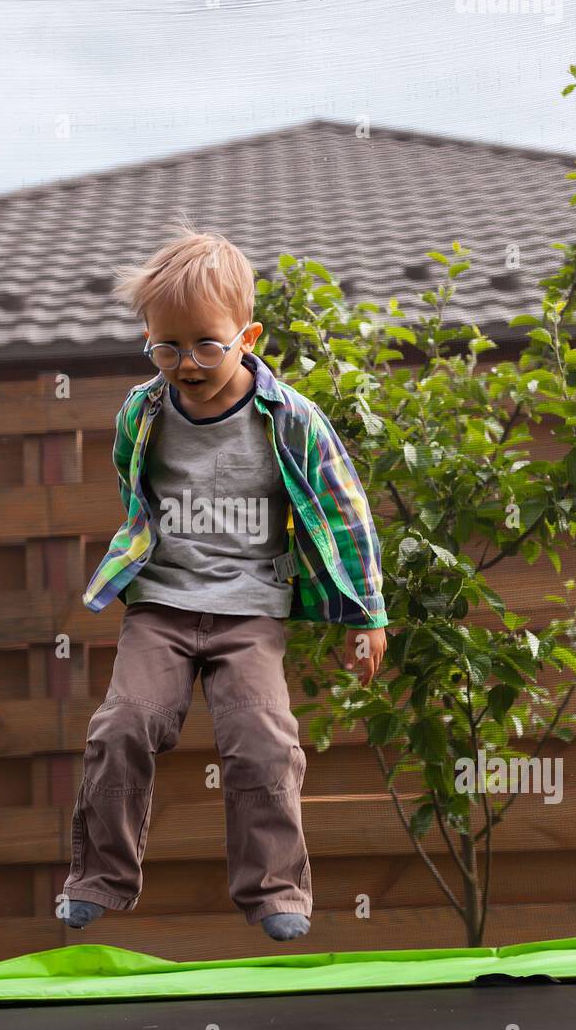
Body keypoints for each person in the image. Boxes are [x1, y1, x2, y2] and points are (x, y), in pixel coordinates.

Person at [59, 219, 387, 941]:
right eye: (165, 345)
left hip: (249, 611)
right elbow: (135, 493)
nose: (187, 361)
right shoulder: (141, 413)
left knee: (264, 740)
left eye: (208, 342)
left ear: (249, 337)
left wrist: (367, 614)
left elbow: (345, 511)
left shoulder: (291, 420)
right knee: (122, 727)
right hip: (163, 607)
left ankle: (274, 890)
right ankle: (99, 877)